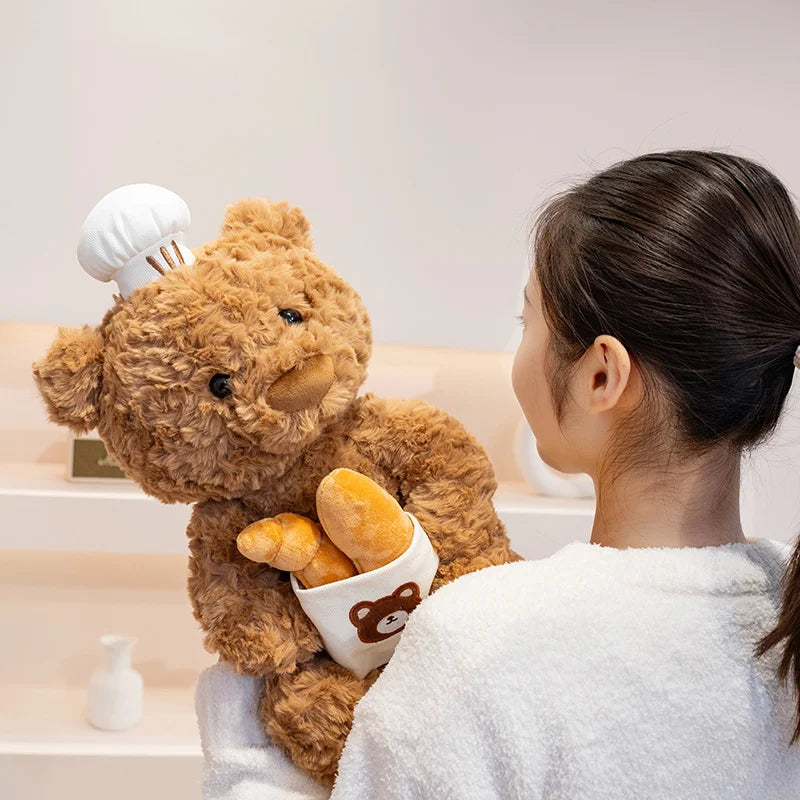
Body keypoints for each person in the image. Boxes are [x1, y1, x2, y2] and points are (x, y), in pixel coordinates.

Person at [194, 150, 800, 799]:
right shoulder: (781, 615)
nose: (521, 350)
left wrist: (243, 740)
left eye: (527, 321)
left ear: (601, 375)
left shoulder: (483, 643)